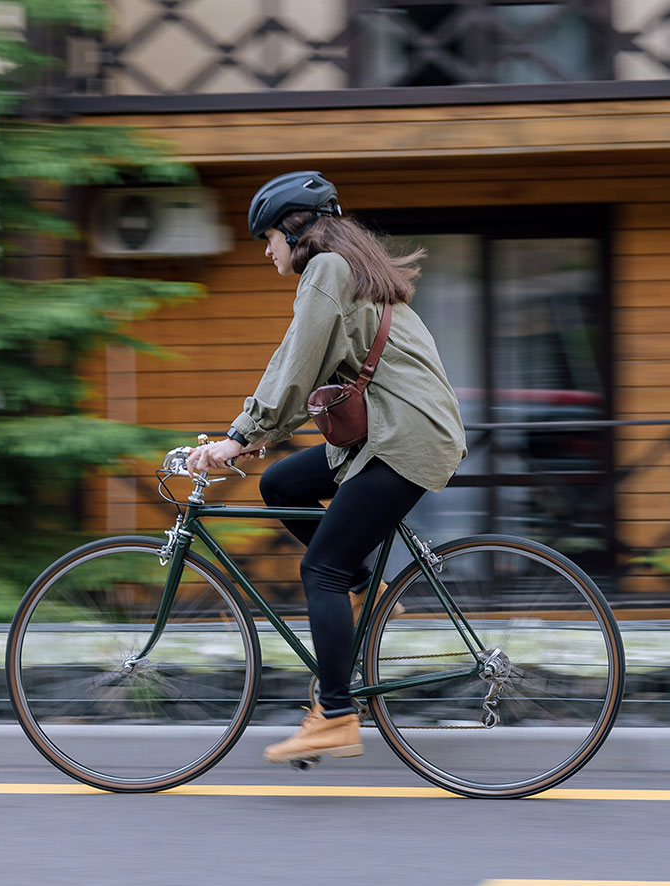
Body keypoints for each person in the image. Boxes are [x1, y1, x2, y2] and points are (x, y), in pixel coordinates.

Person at [183, 171, 466, 765]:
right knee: (282, 482)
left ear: (295, 229)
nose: (266, 251)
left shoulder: (327, 270)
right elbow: (296, 360)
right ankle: (368, 591)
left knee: (322, 569)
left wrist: (238, 437)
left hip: (404, 438)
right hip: (394, 432)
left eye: (268, 238)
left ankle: (335, 715)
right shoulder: (344, 270)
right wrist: (251, 437)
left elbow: (296, 369)